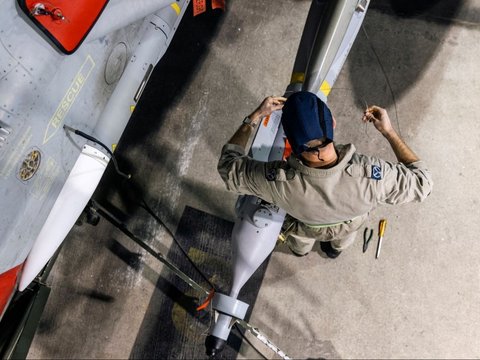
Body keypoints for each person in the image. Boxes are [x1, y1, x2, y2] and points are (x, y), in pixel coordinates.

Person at [217, 91, 432, 259]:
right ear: (333, 124)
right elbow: (423, 182)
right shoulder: (373, 177)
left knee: (300, 241)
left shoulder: (277, 182)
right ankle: (334, 250)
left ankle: (301, 252)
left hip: (306, 228)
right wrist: (389, 132)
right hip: (349, 224)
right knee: (345, 237)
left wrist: (254, 117)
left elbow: (228, 168)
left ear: (290, 143)